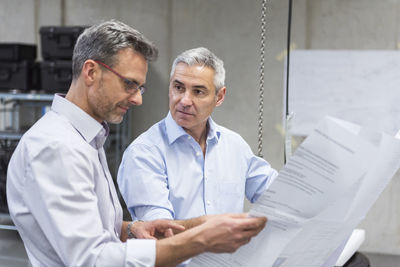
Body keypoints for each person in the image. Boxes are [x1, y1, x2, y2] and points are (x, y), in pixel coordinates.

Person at [6, 20, 267, 267]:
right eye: (129, 84)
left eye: (139, 88)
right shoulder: (57, 147)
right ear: (91, 72)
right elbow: (92, 259)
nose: (137, 100)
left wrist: (130, 229)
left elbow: (88, 229)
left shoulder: (85, 140)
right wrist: (202, 238)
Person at [117, 47, 278, 225]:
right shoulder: (144, 153)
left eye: (198, 92)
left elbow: (279, 197)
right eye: (178, 88)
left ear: (219, 96)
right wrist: (222, 228)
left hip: (234, 254)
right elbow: (161, 232)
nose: (185, 101)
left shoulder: (235, 146)